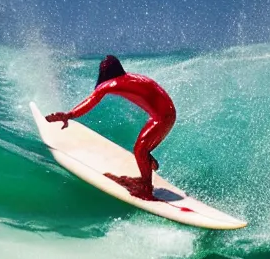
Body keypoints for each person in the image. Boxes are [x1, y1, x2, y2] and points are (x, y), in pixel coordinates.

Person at [45, 56, 175, 202]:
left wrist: (69, 114)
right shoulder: (132, 77)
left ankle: (146, 187)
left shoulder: (110, 84)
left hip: (161, 118)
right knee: (142, 149)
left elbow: (90, 101)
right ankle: (147, 162)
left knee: (140, 150)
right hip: (167, 114)